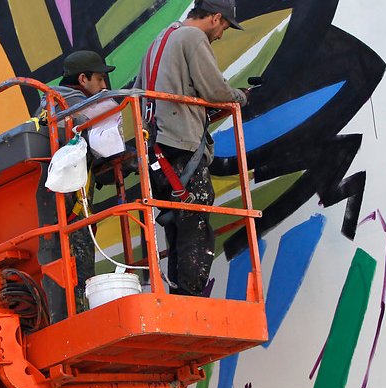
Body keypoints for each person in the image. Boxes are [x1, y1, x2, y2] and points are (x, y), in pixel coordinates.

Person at [133, 0, 248, 296]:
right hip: (180, 144)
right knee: (195, 214)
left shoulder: (158, 41)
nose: (221, 34)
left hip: (155, 147)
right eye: (224, 26)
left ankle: (179, 294)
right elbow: (215, 91)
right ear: (216, 18)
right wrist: (240, 97)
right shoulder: (193, 37)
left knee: (176, 221)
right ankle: (190, 295)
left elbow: (141, 91)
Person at [36, 50, 122, 322]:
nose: (104, 86)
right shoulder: (69, 102)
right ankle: (80, 320)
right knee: (79, 270)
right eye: (99, 79)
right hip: (68, 210)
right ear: (83, 78)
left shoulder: (51, 105)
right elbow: (104, 117)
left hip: (60, 207)